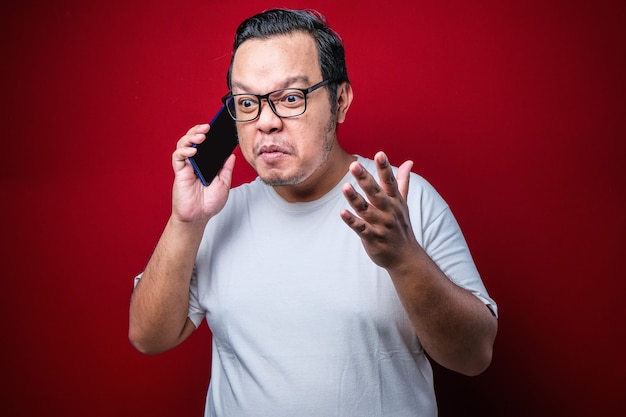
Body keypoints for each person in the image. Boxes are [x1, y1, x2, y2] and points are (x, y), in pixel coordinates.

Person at [129, 8, 498, 417]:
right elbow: (149, 337)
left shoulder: (404, 202)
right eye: (247, 102)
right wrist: (186, 222)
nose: (266, 122)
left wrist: (403, 257)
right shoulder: (215, 216)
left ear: (339, 100)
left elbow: (474, 356)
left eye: (290, 98)